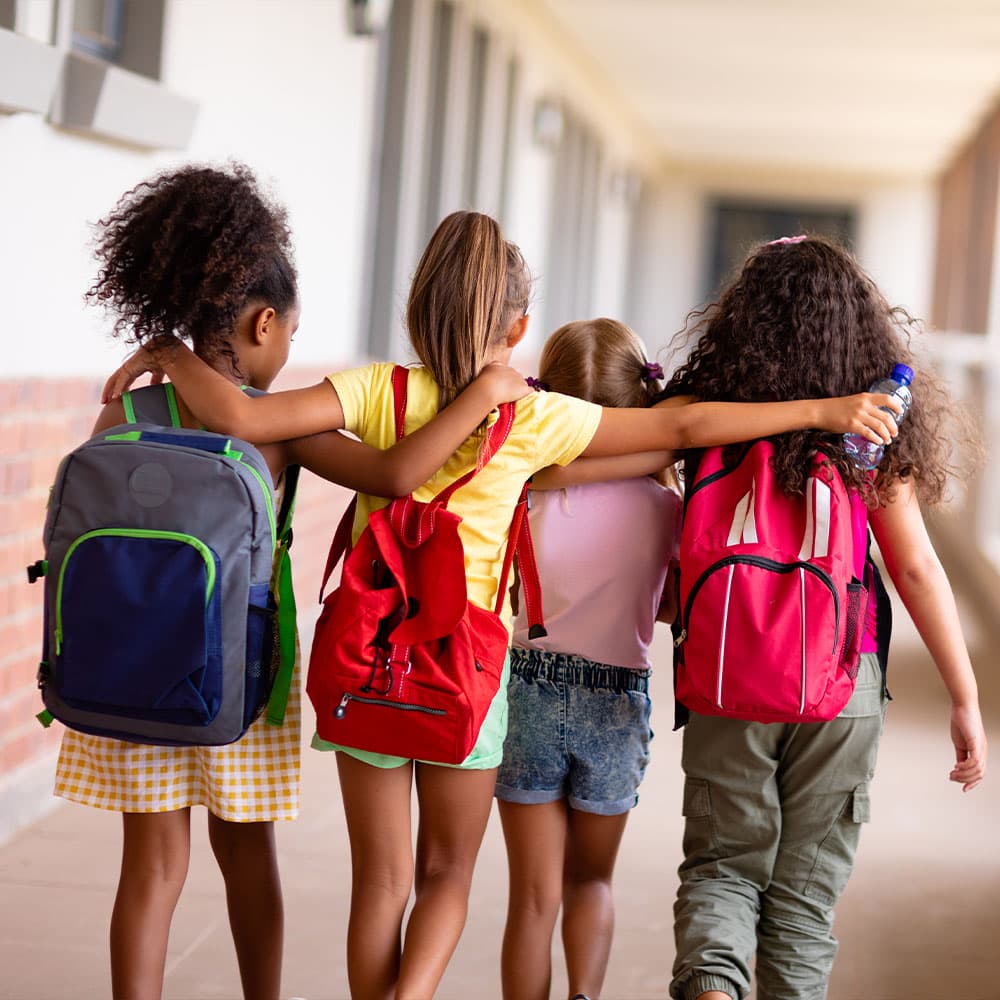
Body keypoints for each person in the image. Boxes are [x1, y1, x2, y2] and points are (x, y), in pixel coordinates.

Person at [102, 211, 902, 1000]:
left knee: (379, 884)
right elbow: (681, 428)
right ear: (518, 327)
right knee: (446, 873)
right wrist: (820, 411)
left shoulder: (373, 389)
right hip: (465, 675)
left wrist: (170, 351)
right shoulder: (533, 417)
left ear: (416, 308)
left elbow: (241, 412)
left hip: (366, 666)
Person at [56, 167, 531, 1000]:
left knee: (152, 867)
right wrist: (488, 395)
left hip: (126, 668)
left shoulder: (124, 414)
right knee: (247, 857)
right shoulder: (281, 434)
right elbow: (391, 475)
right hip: (239, 670)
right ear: (264, 322)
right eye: (287, 336)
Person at [659, 235, 989, 1000]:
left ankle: (713, 986)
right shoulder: (871, 432)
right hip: (840, 683)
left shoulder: (706, 418)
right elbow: (914, 570)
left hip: (724, 673)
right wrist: (965, 699)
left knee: (722, 867)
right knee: (803, 899)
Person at [496, 318, 680, 1000]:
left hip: (528, 692)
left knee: (531, 900)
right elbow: (670, 607)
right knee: (592, 881)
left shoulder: (524, 489)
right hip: (616, 697)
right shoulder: (666, 507)